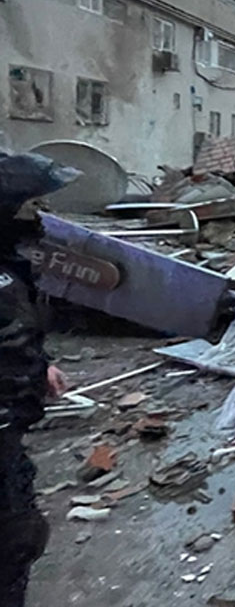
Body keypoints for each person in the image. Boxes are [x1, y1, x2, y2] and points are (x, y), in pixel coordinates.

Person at [1, 151, 77, 606]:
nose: (41, 217)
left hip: (11, 425)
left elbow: (14, 332)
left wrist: (39, 364)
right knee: (15, 540)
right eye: (31, 207)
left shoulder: (10, 267)